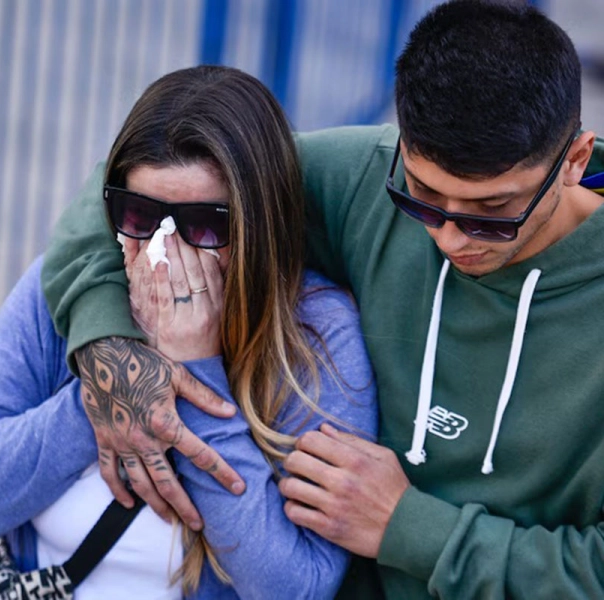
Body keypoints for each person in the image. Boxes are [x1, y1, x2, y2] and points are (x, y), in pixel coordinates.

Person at [39, 1, 604, 598]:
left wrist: (410, 529)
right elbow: (134, 181)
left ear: (573, 159)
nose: (449, 235)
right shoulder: (363, 176)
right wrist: (108, 348)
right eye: (423, 196)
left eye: (494, 213)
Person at [0, 65, 376, 599]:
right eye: (138, 215)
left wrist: (198, 370)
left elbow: (295, 589)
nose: (164, 252)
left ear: (260, 227)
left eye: (204, 225)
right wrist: (108, 390)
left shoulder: (316, 335)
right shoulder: (73, 290)